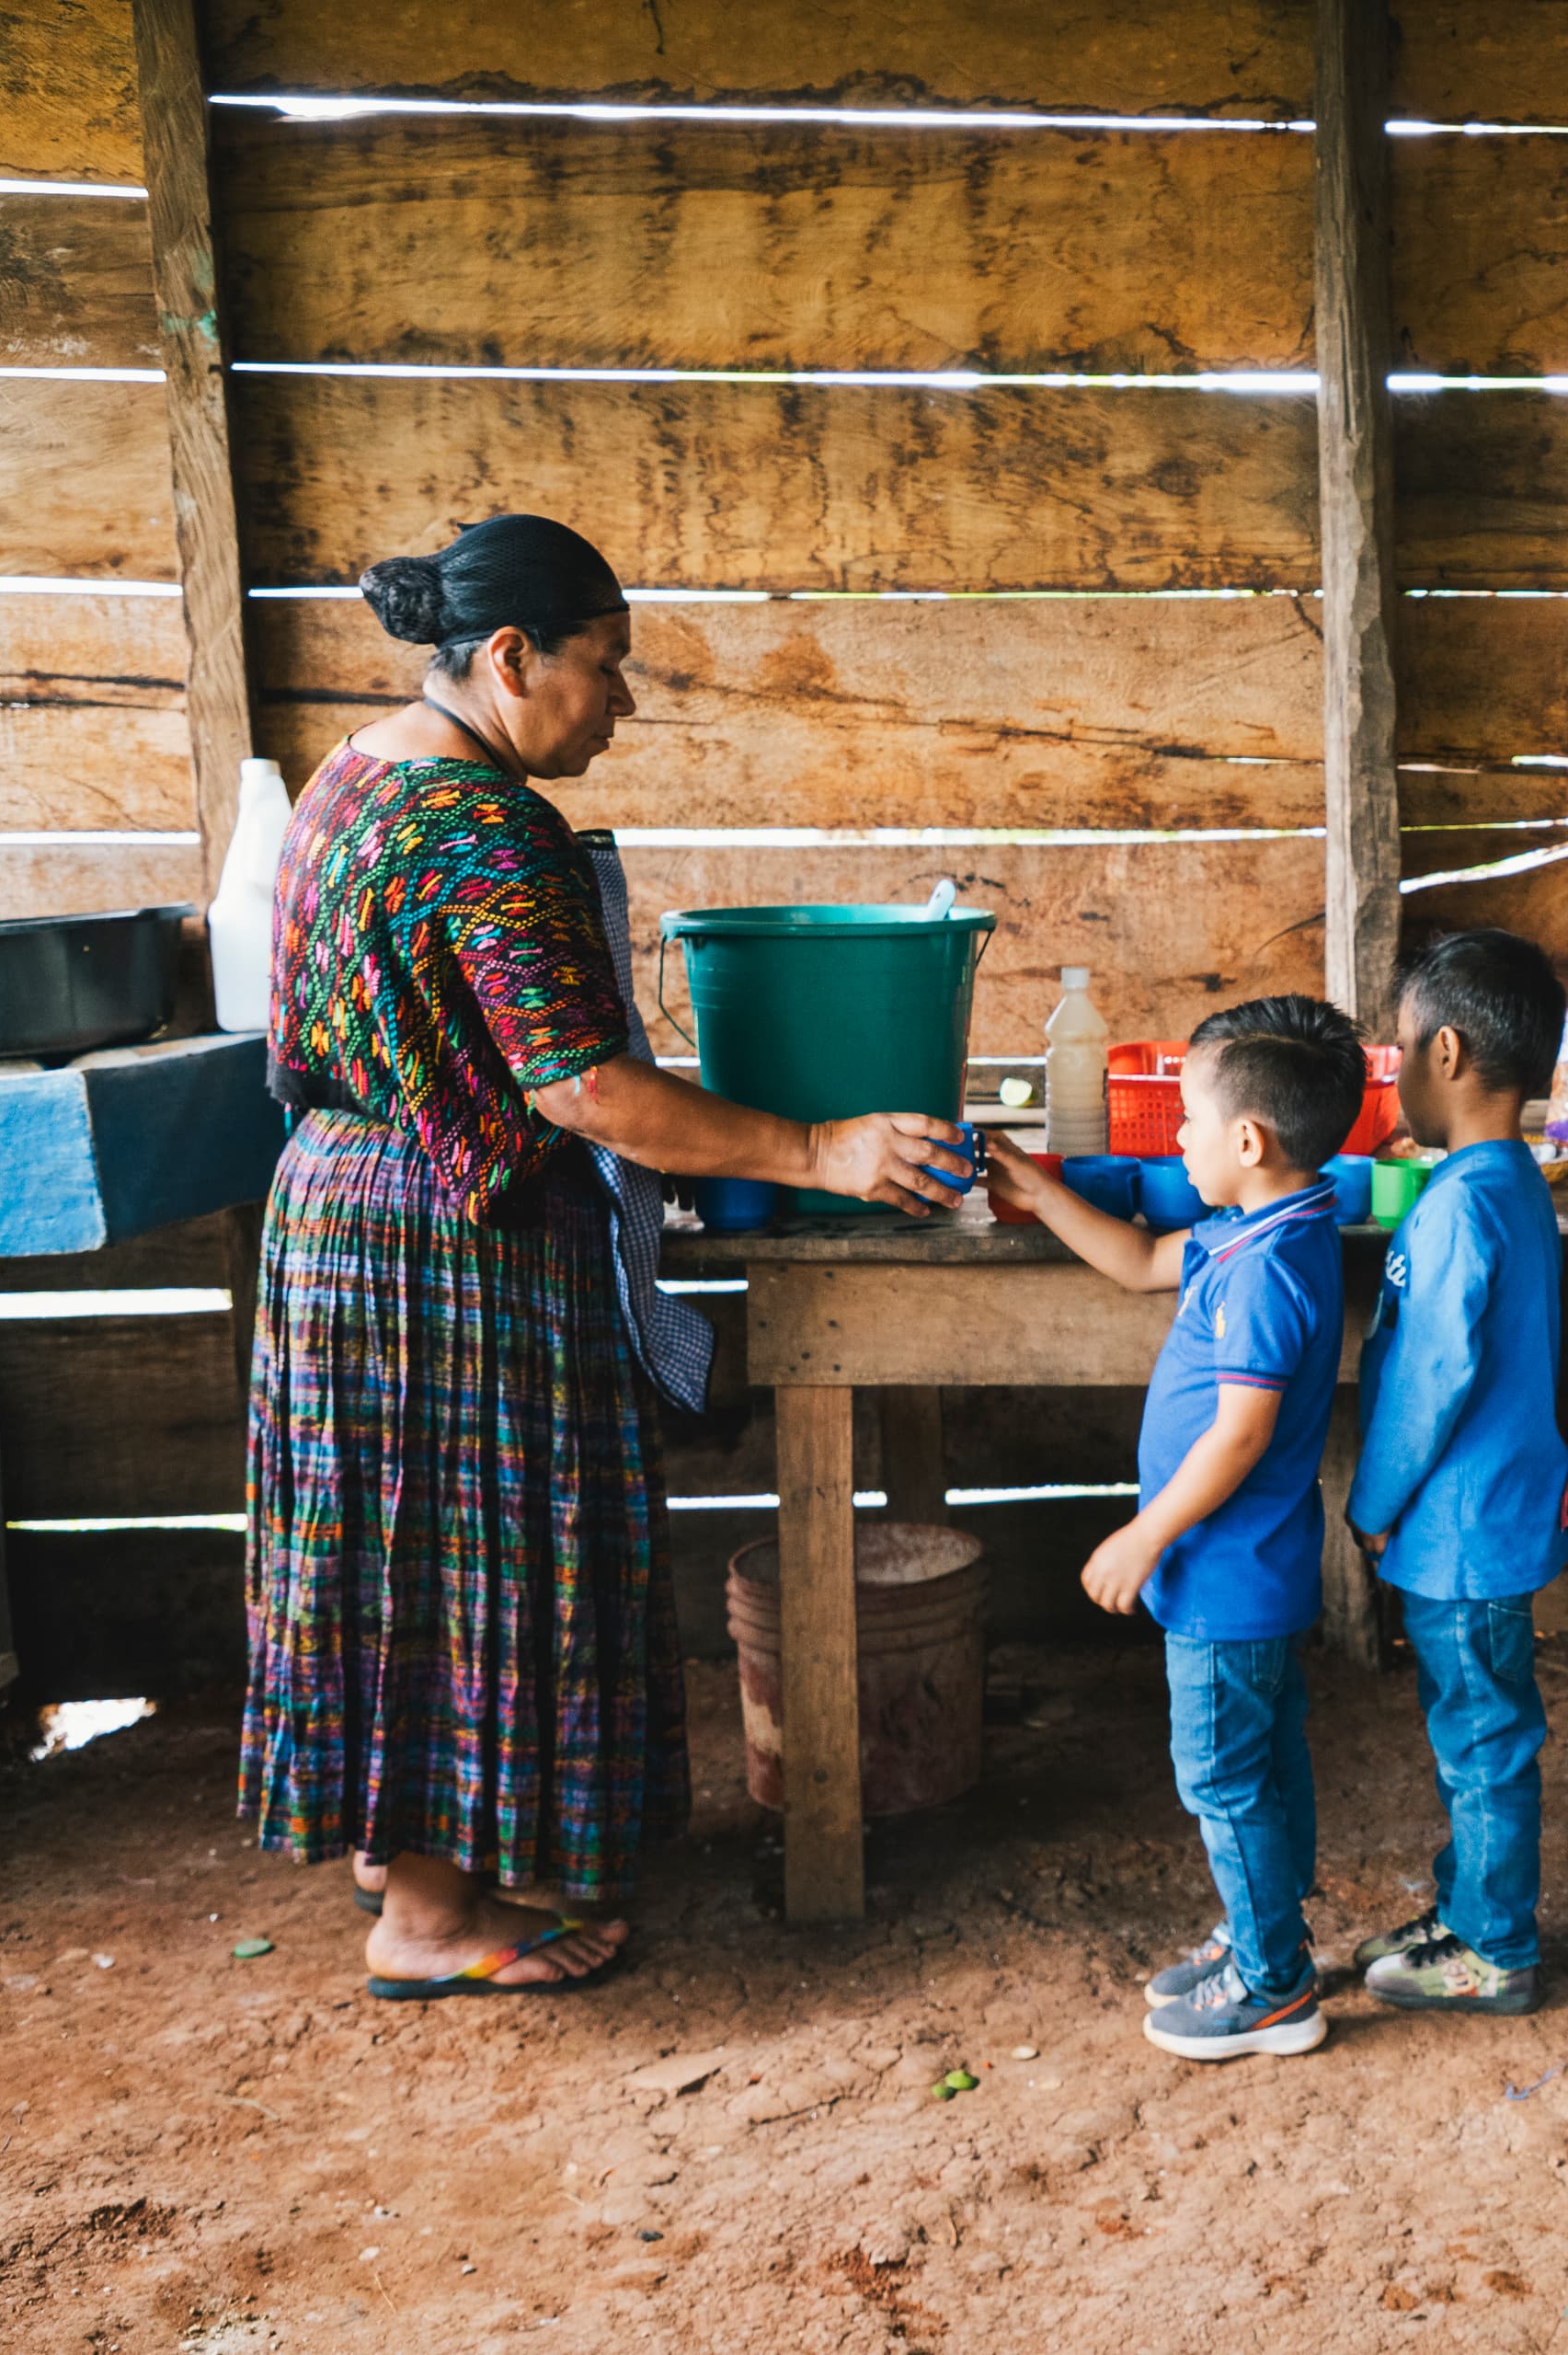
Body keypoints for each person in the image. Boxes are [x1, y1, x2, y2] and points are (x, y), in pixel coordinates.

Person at [247, 516, 970, 2001]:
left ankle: (410, 1859)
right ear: (510, 659)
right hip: (448, 1244)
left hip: (339, 1212)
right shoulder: (483, 824)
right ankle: (434, 1923)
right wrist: (818, 1148)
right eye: (603, 668)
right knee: (468, 1562)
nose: (619, 703)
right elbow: (582, 1086)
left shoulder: (356, 775)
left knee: (388, 1561)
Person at [983, 995, 1365, 2062]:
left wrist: (1143, 1534)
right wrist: (1039, 1190)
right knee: (1266, 1760)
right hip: (1250, 1572)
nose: (1177, 1139)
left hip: (1221, 1576)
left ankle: (1275, 1986)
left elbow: (1239, 1437)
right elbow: (1143, 1261)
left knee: (1223, 1775)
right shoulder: (1267, 1226)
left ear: (1248, 1140)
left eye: (1187, 1122)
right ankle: (1265, 1933)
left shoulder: (1269, 1270)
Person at [1341, 932, 1568, 2016]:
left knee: (1481, 1733)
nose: (1390, 1077)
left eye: (1395, 1053)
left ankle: (1495, 1945)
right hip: (1484, 1514)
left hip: (1459, 1523)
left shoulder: (1464, 1203)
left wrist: (1376, 1500)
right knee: (1470, 1723)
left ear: (1444, 1051)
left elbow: (1433, 1371)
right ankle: (1467, 1907)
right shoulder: (1508, 1182)